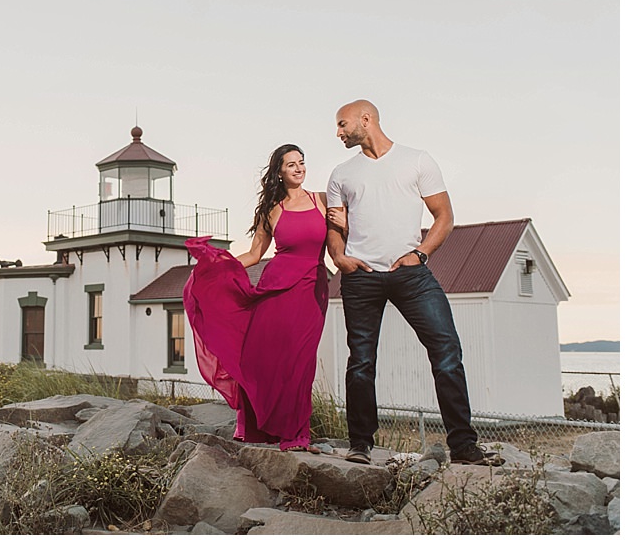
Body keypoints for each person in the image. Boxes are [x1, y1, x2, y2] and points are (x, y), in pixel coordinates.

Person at [325, 99, 501, 466]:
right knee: (360, 361)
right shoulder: (341, 174)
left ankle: (464, 446)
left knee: (447, 352)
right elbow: (335, 228)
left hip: (412, 275)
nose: (338, 132)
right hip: (362, 278)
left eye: (343, 124)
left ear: (365, 119)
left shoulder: (418, 160)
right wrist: (340, 258)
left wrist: (420, 254)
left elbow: (444, 217)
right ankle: (360, 444)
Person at [183, 144, 343, 451]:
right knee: (267, 359)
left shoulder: (322, 200)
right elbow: (256, 254)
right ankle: (266, 430)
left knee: (301, 360)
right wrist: (215, 267)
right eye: (291, 164)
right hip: (275, 289)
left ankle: (297, 434)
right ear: (279, 172)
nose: (299, 168)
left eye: (302, 162)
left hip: (311, 288)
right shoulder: (273, 209)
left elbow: (343, 238)